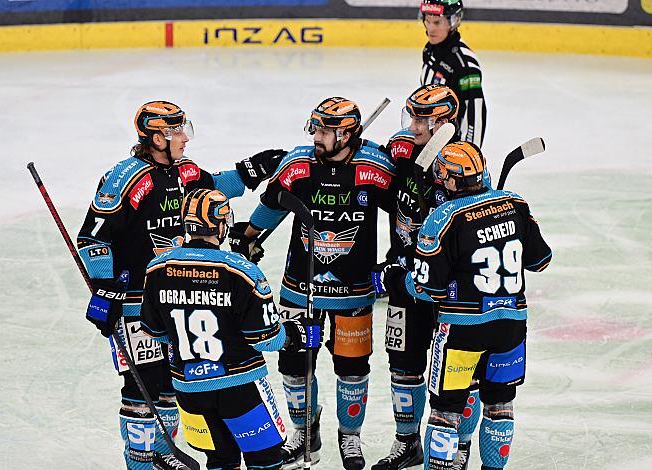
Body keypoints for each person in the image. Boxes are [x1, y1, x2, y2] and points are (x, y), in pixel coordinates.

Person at [77, 100, 285, 469]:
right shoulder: (126, 178)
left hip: (175, 301)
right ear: (157, 138)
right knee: (142, 388)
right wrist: (106, 289)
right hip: (135, 305)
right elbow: (93, 240)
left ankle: (162, 452)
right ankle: (141, 460)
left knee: (174, 384)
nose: (185, 139)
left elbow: (214, 188)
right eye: (177, 132)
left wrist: (251, 170)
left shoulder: (183, 170)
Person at [229, 97, 396, 470]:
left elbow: (404, 210)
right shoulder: (299, 164)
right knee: (293, 363)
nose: (315, 137)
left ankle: (349, 437)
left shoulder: (375, 167)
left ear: (346, 133)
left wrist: (402, 258)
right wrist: (252, 235)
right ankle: (306, 433)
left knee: (353, 368)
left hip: (354, 289)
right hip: (299, 288)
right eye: (315, 130)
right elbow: (275, 202)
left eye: (323, 131)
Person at [374, 142, 552, 470]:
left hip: (463, 331)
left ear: (453, 181)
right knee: (500, 406)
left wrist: (394, 278)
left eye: (443, 174)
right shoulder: (516, 203)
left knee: (445, 413)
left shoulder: (442, 219)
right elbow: (541, 260)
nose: (439, 180)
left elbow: (427, 289)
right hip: (511, 328)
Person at [139, 188, 321, 470]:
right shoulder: (242, 272)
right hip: (240, 387)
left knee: (221, 461)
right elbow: (266, 338)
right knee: (266, 460)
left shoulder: (157, 268)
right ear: (221, 225)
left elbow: (154, 330)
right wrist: (296, 334)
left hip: (189, 390)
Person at [371, 84, 460, 470]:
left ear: (442, 122)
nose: (413, 125)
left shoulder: (462, 163)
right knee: (402, 364)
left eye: (420, 119)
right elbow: (381, 177)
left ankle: (456, 449)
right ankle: (407, 442)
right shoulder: (405, 148)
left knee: (456, 375)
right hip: (402, 280)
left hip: (446, 290)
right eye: (412, 117)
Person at [420, 0, 487, 148]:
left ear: (454, 21)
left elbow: (474, 115)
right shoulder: (429, 50)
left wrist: (468, 152)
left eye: (437, 23)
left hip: (450, 147)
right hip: (428, 141)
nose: (430, 29)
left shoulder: (465, 65)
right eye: (427, 21)